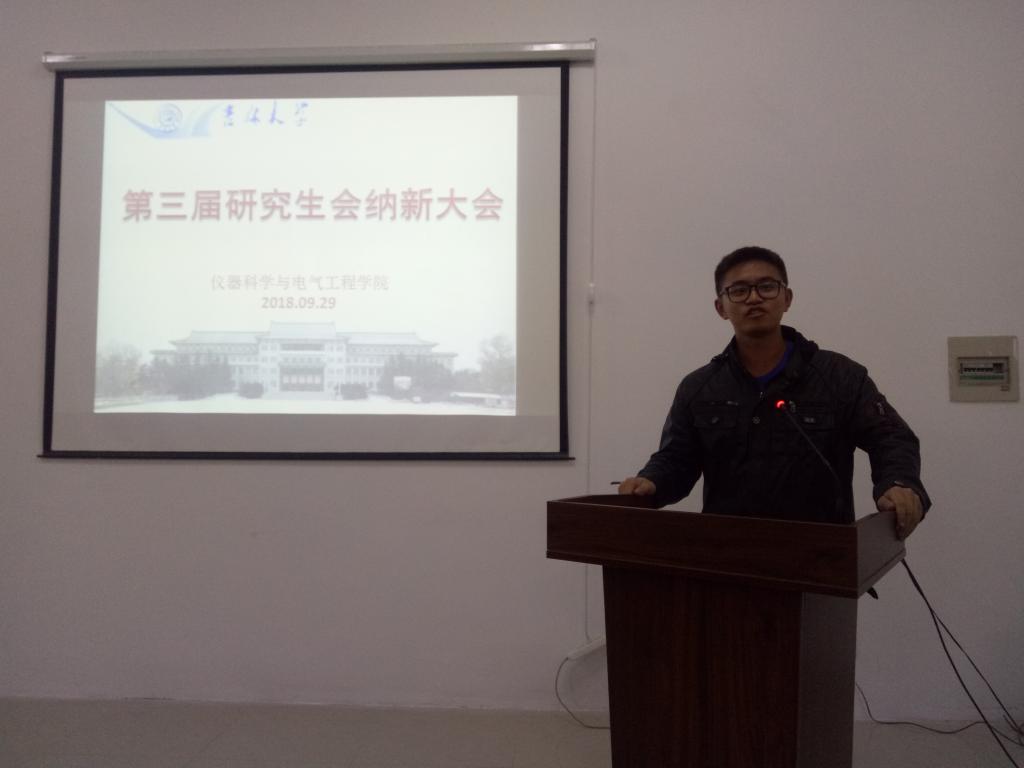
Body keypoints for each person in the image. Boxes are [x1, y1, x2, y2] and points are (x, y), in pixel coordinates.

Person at [619, 246, 929, 538]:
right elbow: (676, 459)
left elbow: (891, 437)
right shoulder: (698, 387)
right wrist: (651, 482)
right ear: (721, 307)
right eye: (739, 290)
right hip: (725, 555)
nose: (754, 298)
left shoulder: (840, 376)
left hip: (822, 555)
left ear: (787, 298)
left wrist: (898, 483)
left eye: (767, 287)